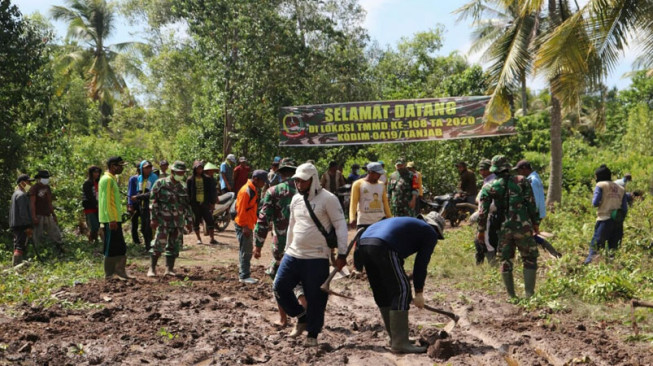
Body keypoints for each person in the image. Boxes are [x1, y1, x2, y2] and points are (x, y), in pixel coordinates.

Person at [273, 163, 348, 347]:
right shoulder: (296, 200)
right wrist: (286, 250)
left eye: (302, 181)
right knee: (279, 286)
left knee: (316, 298)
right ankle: (301, 316)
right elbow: (291, 226)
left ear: (313, 180)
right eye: (296, 180)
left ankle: (312, 334)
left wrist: (342, 254)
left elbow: (340, 226)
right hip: (293, 254)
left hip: (317, 257)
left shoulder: (328, 199)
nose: (298, 184)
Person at [357, 211, 444, 353]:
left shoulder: (409, 224)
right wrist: (419, 292)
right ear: (436, 229)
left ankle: (395, 338)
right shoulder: (429, 232)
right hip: (384, 246)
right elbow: (420, 265)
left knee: (383, 291)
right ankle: (400, 343)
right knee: (403, 290)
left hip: (365, 243)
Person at [477, 155, 540, 299]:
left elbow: (483, 212)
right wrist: (535, 224)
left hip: (503, 229)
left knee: (506, 260)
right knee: (529, 258)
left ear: (494, 170)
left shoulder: (489, 187)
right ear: (508, 167)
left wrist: (481, 231)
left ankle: (512, 296)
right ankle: (529, 295)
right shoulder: (521, 181)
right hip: (523, 227)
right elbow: (531, 204)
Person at [253, 158, 306, 325]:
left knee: (279, 281)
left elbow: (263, 220)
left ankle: (283, 318)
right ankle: (307, 315)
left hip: (282, 244)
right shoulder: (306, 191)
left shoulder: (273, 191)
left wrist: (258, 244)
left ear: (281, 173)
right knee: (301, 281)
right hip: (304, 242)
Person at [148, 161, 193, 277]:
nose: (181, 174)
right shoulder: (160, 183)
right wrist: (153, 219)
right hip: (163, 221)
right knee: (158, 244)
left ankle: (169, 269)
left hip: (178, 222)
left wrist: (189, 221)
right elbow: (153, 202)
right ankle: (152, 268)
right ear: (172, 172)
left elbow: (187, 205)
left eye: (182, 173)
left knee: (174, 246)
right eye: (179, 172)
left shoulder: (183, 187)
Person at [514, 159, 562, 258]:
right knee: (529, 235)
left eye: (519, 170)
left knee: (529, 235)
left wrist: (532, 217)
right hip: (536, 213)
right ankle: (552, 252)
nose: (518, 173)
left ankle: (552, 252)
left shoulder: (532, 181)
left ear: (524, 169)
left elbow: (533, 200)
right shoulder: (535, 178)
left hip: (534, 213)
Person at [584, 164, 628, 264]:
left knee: (596, 246)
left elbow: (595, 203)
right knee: (613, 249)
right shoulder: (621, 188)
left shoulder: (600, 185)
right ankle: (611, 268)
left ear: (599, 176)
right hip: (617, 222)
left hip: (604, 220)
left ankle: (587, 265)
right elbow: (625, 208)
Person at [98, 157, 130, 280]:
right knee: (111, 246)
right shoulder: (107, 180)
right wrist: (111, 219)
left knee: (119, 246)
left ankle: (119, 271)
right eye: (120, 165)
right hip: (110, 219)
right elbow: (105, 201)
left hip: (115, 218)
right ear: (112, 166)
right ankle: (109, 274)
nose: (122, 168)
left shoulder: (111, 179)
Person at [235, 170, 269, 284]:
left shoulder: (253, 190)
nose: (264, 184)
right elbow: (241, 210)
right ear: (256, 179)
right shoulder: (246, 191)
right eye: (263, 181)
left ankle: (244, 274)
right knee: (246, 251)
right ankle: (244, 275)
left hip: (248, 224)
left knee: (246, 250)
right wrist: (245, 226)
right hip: (244, 225)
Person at [29, 170, 64, 253]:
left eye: (47, 178)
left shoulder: (47, 187)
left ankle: (60, 248)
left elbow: (49, 202)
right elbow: (32, 203)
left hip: (47, 214)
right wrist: (34, 216)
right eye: (44, 178)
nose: (46, 179)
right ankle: (38, 251)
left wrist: (53, 214)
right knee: (38, 234)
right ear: (39, 178)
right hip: (38, 214)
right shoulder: (34, 188)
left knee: (55, 231)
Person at [349, 162, 392, 229]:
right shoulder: (358, 184)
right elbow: (353, 203)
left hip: (380, 220)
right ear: (370, 172)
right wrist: (352, 218)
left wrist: (389, 217)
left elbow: (385, 202)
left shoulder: (381, 185)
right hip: (364, 221)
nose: (380, 175)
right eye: (378, 174)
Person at [127, 161, 158, 250]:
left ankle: (152, 245)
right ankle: (147, 246)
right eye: (146, 168)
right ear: (141, 169)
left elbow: (152, 193)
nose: (148, 169)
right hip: (142, 206)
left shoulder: (154, 178)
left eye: (149, 167)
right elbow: (139, 191)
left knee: (149, 227)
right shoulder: (139, 178)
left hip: (151, 206)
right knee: (144, 228)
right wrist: (133, 201)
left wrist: (138, 197)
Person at [473, 159, 499, 265]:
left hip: (490, 215)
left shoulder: (493, 181)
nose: (482, 172)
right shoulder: (487, 180)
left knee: (487, 240)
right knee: (481, 239)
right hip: (486, 214)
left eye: (485, 170)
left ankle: (493, 265)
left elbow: (492, 204)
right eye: (480, 170)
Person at [187, 160, 218, 245]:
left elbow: (211, 191)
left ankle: (212, 238)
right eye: (198, 169)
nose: (199, 170)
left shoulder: (207, 179)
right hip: (195, 204)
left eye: (201, 168)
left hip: (205, 203)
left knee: (210, 220)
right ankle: (199, 239)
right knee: (196, 221)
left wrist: (212, 203)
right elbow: (188, 192)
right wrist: (189, 203)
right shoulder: (190, 180)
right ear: (194, 169)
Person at [10, 174, 34, 266]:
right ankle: (17, 265)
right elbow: (23, 213)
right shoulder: (21, 195)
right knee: (20, 245)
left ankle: (16, 265)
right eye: (28, 182)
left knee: (17, 244)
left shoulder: (15, 193)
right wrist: (27, 226)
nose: (29, 184)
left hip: (15, 223)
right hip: (21, 224)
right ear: (22, 183)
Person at [82, 166, 102, 244]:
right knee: (94, 226)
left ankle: (95, 240)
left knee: (98, 225)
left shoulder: (98, 182)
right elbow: (89, 196)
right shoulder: (87, 183)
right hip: (90, 207)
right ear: (91, 173)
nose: (97, 174)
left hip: (98, 207)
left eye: (98, 172)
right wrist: (95, 204)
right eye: (95, 172)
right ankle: (92, 240)